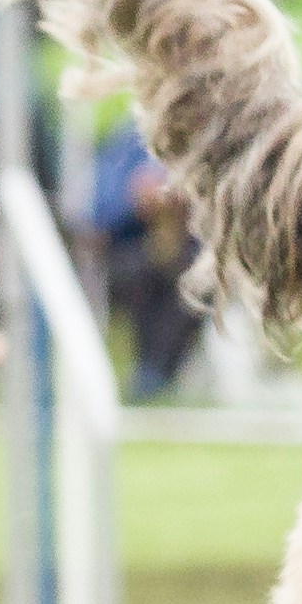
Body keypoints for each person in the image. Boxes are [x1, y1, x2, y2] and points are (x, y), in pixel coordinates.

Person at [90, 113, 205, 399]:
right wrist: (135, 199)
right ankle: (148, 374)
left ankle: (158, 374)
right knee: (139, 277)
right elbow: (98, 209)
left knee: (194, 283)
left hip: (190, 251)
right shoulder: (128, 139)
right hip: (132, 249)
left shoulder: (205, 138)